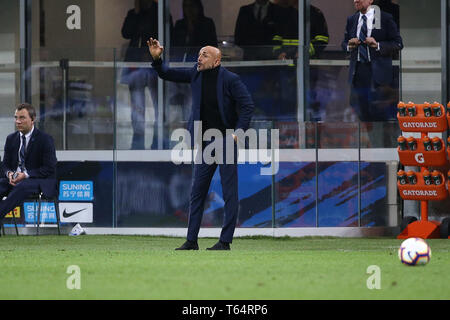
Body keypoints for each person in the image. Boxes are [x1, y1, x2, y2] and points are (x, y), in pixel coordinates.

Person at [147, 38, 254, 250]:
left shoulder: (231, 79)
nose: (199, 57)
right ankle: (191, 240)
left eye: (204, 55)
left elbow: (247, 105)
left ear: (216, 61)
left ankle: (225, 241)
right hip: (204, 142)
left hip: (225, 140)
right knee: (197, 192)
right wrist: (157, 59)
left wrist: (237, 135)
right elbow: (167, 74)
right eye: (199, 54)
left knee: (229, 192)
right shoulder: (195, 74)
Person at [121, 0, 172, 149]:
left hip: (154, 64)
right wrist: (136, 13)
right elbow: (126, 33)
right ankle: (138, 143)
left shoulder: (160, 13)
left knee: (159, 105)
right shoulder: (134, 13)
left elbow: (166, 36)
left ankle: (159, 142)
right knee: (137, 106)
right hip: (135, 65)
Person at [342, 0, 403, 122]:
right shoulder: (352, 19)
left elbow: (398, 43)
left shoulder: (385, 18)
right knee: (362, 112)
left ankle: (385, 139)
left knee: (380, 112)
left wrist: (378, 45)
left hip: (379, 74)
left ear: (370, 0)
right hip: (358, 72)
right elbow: (344, 43)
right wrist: (349, 46)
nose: (356, 1)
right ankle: (370, 139)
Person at [0, 103, 57, 228]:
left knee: (23, 186)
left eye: (22, 118)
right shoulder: (11, 139)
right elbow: (5, 165)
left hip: (39, 180)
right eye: (16, 118)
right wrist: (9, 174)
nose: (18, 121)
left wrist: (25, 175)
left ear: (33, 119)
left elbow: (49, 167)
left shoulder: (45, 139)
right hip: (15, 180)